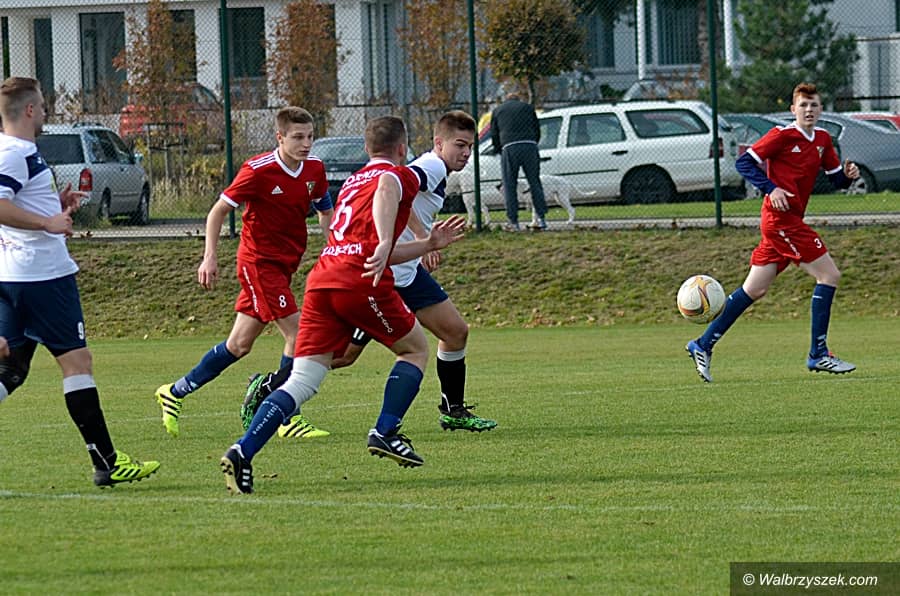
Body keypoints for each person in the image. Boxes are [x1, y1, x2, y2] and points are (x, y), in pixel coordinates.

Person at [221, 116, 446, 494]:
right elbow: (387, 191)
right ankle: (385, 431)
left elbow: (372, 250)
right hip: (358, 281)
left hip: (322, 280)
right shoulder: (397, 174)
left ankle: (242, 451)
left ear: (367, 148)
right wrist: (386, 238)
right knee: (415, 350)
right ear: (402, 148)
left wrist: (426, 245)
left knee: (304, 380)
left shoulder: (352, 182)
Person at [241, 110, 497, 433]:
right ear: (438, 143)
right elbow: (391, 184)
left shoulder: (436, 171)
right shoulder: (430, 166)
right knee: (341, 356)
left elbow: (400, 193)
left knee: (456, 331)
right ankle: (269, 386)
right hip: (382, 273)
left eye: (470, 146)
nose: (466, 153)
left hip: (406, 272)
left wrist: (421, 241)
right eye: (459, 145)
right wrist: (420, 239)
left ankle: (453, 410)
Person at [0, 76, 159, 487]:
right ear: (29, 110)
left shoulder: (15, 151)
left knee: (11, 369)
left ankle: (106, 462)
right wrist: (47, 223)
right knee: (77, 363)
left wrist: (55, 205)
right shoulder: (16, 152)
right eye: (43, 106)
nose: (46, 113)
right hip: (43, 278)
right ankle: (107, 463)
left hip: (14, 275)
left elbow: (15, 201)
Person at [155, 107, 334, 439]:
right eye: (298, 137)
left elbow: (325, 211)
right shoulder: (257, 170)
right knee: (299, 335)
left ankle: (174, 392)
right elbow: (218, 211)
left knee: (238, 345)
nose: (306, 144)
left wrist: (334, 247)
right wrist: (209, 257)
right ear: (280, 138)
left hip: (285, 265)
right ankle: (287, 416)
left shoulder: (314, 169)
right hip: (258, 264)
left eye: (310, 136)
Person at [686, 82, 858, 383]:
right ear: (793, 109)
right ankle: (818, 353)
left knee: (754, 289)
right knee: (829, 275)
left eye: (813, 105)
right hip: (781, 221)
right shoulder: (781, 135)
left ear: (820, 109)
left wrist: (847, 176)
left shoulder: (822, 139)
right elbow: (744, 162)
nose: (808, 110)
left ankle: (703, 344)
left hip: (788, 221)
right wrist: (771, 188)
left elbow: (835, 180)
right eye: (803, 105)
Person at [490, 92, 547, 231]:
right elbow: (537, 129)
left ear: (505, 100)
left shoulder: (498, 111)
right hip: (529, 145)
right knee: (534, 182)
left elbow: (494, 134)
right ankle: (541, 218)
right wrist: (533, 142)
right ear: (519, 100)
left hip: (510, 147)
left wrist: (498, 149)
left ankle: (513, 221)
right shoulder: (528, 108)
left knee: (509, 185)